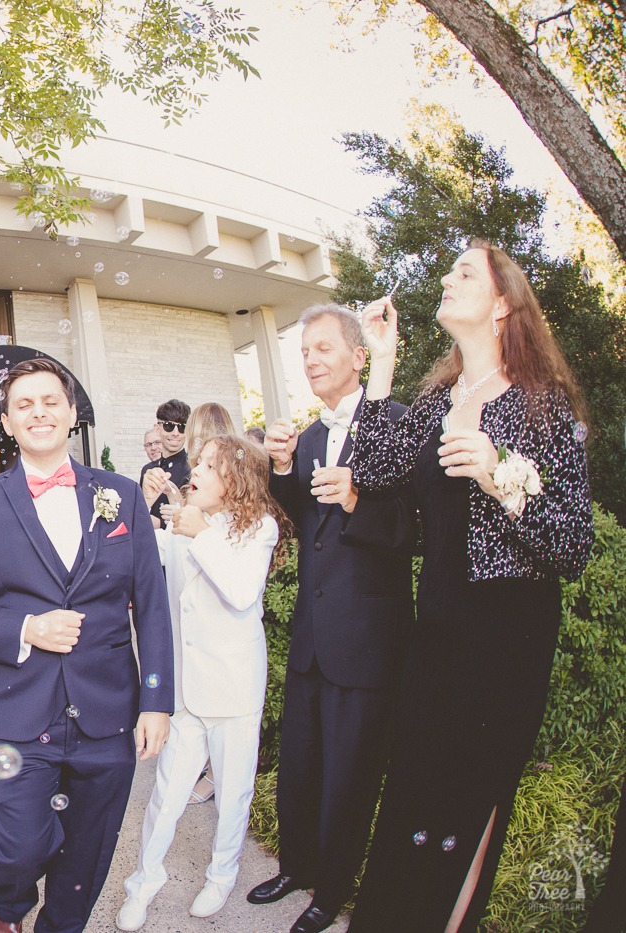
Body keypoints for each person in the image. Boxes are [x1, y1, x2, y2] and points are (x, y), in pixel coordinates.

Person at [349, 241, 593, 931]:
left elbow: (573, 543)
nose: (446, 278)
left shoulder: (541, 403)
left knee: (466, 806)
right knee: (413, 796)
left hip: (506, 640)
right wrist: (384, 364)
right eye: (447, 267)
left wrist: (499, 474)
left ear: (503, 303)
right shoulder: (437, 399)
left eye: (464, 272)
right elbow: (370, 465)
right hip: (439, 634)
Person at [0, 357, 173, 933]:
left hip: (107, 712)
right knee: (17, 846)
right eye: (24, 405)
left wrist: (157, 700)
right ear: (8, 423)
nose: (38, 413)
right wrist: (24, 630)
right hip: (17, 712)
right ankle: (8, 908)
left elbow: (154, 605)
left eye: (49, 402)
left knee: (86, 858)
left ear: (70, 414)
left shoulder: (122, 497)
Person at [248, 304, 417, 933]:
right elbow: (303, 519)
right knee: (302, 762)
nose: (312, 360)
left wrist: (355, 498)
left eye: (323, 348)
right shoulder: (312, 436)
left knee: (350, 773)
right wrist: (284, 467)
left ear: (359, 354)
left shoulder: (397, 425)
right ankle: (299, 866)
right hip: (313, 640)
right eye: (306, 352)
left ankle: (334, 889)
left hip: (368, 640)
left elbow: (415, 528)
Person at [117, 434, 287, 928]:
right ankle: (143, 882)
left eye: (210, 466)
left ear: (235, 479)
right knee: (166, 792)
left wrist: (200, 533)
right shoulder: (181, 527)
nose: (197, 471)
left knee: (233, 790)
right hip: (186, 690)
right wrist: (145, 501)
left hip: (233, 686)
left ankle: (221, 875)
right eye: (198, 463)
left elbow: (239, 593)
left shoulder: (260, 528)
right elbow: (136, 551)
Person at [139, 399, 191, 528]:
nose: (175, 433)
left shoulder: (193, 466)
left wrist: (159, 523)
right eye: (169, 426)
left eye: (181, 427)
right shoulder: (148, 469)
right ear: (157, 428)